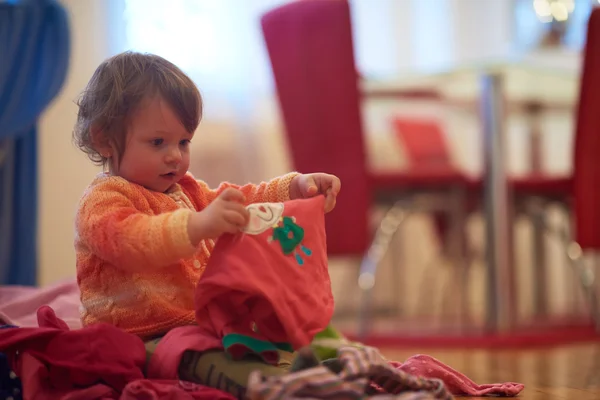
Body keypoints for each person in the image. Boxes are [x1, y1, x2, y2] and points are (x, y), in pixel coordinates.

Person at [72, 51, 341, 397]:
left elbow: (242, 200)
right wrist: (196, 227)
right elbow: (130, 241)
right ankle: (283, 387)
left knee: (275, 338)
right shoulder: (103, 200)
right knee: (218, 361)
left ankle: (308, 373)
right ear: (104, 140)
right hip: (143, 338)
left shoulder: (186, 190)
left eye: (184, 142)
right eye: (158, 142)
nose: (175, 155)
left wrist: (296, 187)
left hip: (207, 326)